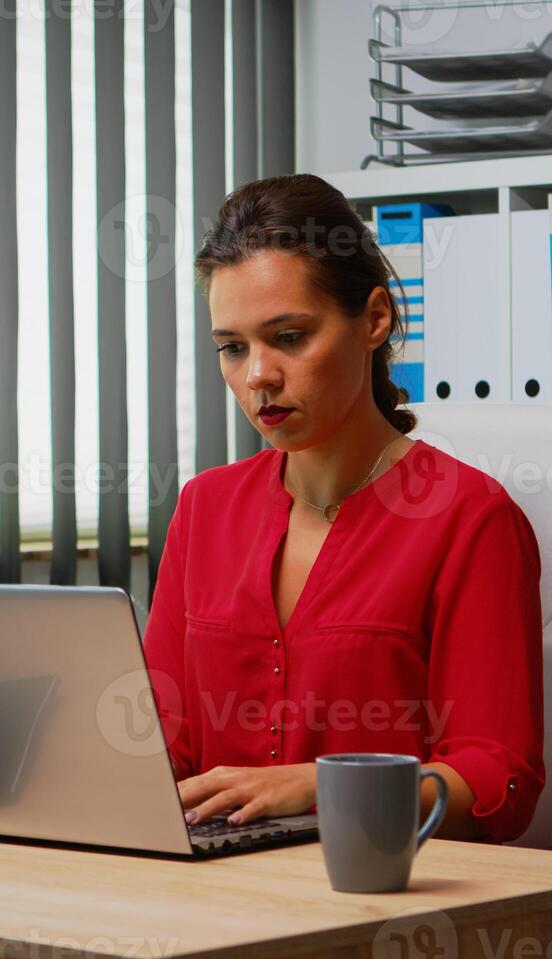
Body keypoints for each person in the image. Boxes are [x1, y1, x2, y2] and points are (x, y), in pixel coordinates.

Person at [142, 174, 544, 845]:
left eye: (290, 337)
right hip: (212, 889)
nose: (257, 376)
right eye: (233, 347)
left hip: (380, 905)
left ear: (375, 320)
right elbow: (162, 744)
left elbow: (499, 778)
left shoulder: (470, 518)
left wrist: (322, 786)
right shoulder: (204, 508)